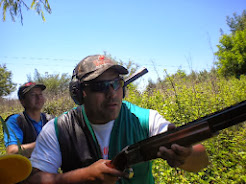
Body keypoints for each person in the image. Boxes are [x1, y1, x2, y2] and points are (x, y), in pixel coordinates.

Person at [25, 55, 209, 184]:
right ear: (80, 93)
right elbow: (33, 180)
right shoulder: (58, 129)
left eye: (117, 84)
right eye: (100, 86)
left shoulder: (145, 119)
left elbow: (201, 160)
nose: (112, 93)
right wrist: (82, 177)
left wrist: (185, 155)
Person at [3, 82, 53, 158]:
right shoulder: (16, 121)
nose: (38, 97)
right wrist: (45, 143)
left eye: (40, 94)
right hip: (27, 168)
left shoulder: (50, 120)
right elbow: (12, 152)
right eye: (33, 95)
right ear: (22, 101)